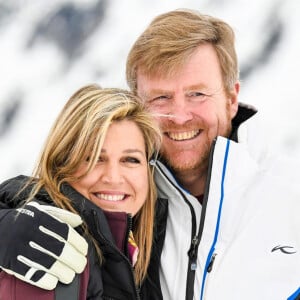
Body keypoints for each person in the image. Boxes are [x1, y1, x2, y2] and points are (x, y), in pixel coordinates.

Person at [1, 8, 300, 300]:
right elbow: (50, 189)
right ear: (139, 105)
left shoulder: (289, 196)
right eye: (161, 97)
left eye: (197, 94)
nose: (179, 116)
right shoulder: (124, 204)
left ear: (232, 98)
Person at [0, 84, 162, 300]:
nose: (113, 177)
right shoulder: (45, 251)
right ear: (61, 163)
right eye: (93, 158)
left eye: (131, 160)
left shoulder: (146, 251)